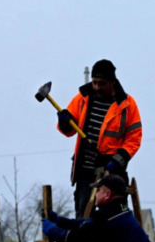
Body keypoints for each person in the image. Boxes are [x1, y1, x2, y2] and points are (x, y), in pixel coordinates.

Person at [56, 59, 143, 217]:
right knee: (83, 216)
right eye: (94, 82)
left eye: (101, 83)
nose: (97, 87)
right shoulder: (83, 98)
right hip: (85, 170)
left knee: (116, 216)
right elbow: (69, 130)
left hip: (113, 171)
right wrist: (63, 122)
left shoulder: (127, 104)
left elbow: (134, 138)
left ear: (112, 82)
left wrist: (118, 160)